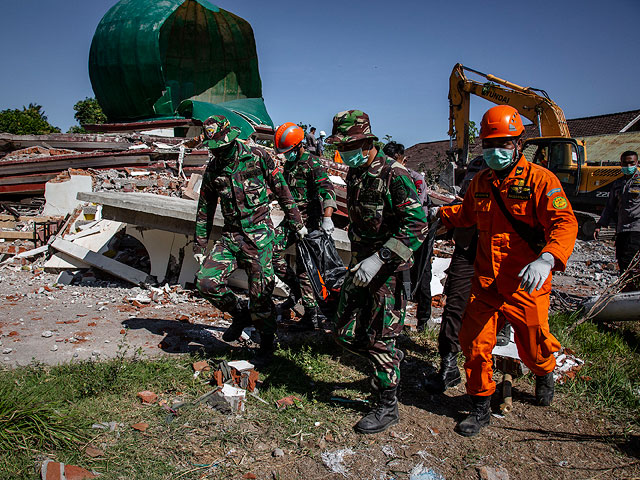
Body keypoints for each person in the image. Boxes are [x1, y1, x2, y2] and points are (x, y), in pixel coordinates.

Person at [434, 105, 578, 436]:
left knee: (533, 345)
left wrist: (547, 258)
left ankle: (543, 371)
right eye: (488, 144)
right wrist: (439, 216)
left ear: (517, 144)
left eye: (503, 143)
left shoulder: (541, 180)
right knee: (474, 345)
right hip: (486, 284)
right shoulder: (481, 182)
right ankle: (480, 404)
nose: (494, 151)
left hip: (526, 286)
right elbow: (465, 215)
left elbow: (564, 223)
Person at [326, 110, 429, 434]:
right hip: (360, 266)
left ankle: (387, 406)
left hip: (387, 273)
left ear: (368, 141)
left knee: (380, 340)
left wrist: (380, 258)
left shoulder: (394, 174)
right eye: (341, 147)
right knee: (343, 331)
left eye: (350, 145)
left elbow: (417, 224)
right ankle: (388, 357)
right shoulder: (357, 172)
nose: (344, 153)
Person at [192, 115, 306, 365]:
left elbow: (282, 189)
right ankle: (240, 314)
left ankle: (266, 343)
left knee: (260, 295)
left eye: (221, 145)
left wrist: (296, 222)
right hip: (231, 236)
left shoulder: (257, 156)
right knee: (206, 283)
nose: (218, 151)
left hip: (260, 237)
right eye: (214, 147)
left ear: (230, 138)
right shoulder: (213, 169)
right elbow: (205, 208)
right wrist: (199, 244)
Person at [423, 156, 487, 394]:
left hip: (502, 255)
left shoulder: (528, 180)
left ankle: (542, 370)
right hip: (467, 249)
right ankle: (448, 365)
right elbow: (466, 210)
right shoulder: (477, 170)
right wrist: (444, 213)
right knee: (454, 307)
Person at [271, 122, 337, 329]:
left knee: (305, 268)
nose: (286, 155)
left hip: (310, 224)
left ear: (299, 145)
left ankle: (311, 315)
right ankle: (296, 291)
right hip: (292, 220)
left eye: (288, 151)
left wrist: (327, 218)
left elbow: (327, 190)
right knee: (269, 251)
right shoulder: (290, 164)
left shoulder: (313, 164)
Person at [382, 141, 432, 330]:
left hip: (417, 234)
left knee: (422, 273)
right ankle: (395, 321)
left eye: (397, 160)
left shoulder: (414, 178)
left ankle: (424, 320)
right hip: (395, 235)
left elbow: (414, 208)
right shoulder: (383, 176)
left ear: (403, 159)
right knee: (399, 278)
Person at [594, 151, 640, 290]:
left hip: (637, 228)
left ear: (637, 163)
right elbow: (610, 206)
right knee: (621, 259)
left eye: (632, 163)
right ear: (621, 164)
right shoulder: (618, 184)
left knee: (631, 260)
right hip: (622, 228)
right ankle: (627, 289)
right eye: (625, 163)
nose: (629, 166)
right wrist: (600, 224)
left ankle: (633, 290)